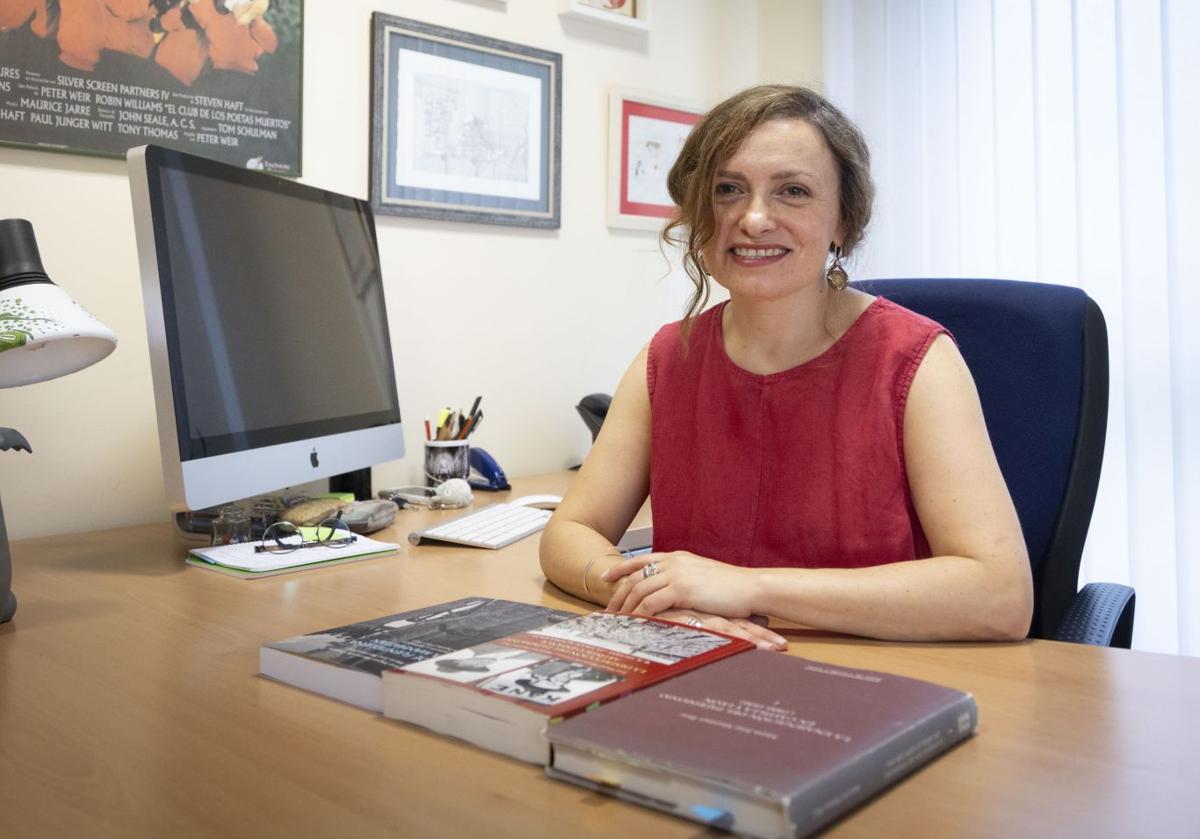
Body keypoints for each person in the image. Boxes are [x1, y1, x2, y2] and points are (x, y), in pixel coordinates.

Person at [539, 85, 1033, 650]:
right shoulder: (668, 357)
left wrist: (749, 588)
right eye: (728, 190)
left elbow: (1000, 596)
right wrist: (653, 598)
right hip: (699, 666)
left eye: (792, 191)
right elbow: (568, 533)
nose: (752, 219)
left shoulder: (917, 361)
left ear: (843, 221)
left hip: (878, 678)